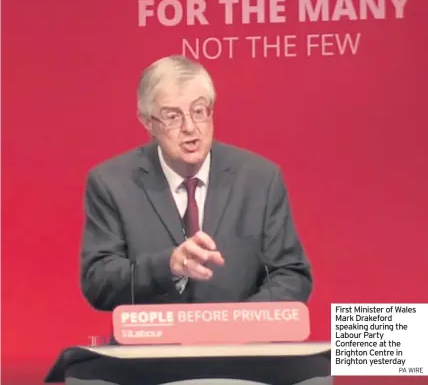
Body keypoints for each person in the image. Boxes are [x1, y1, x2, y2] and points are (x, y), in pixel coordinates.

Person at [69, 55, 331, 385]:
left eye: (199, 110)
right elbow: (98, 282)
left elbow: (292, 275)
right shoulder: (112, 182)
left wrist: (237, 322)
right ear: (147, 122)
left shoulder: (259, 178)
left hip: (246, 361)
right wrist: (169, 266)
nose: (190, 128)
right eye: (172, 116)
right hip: (145, 367)